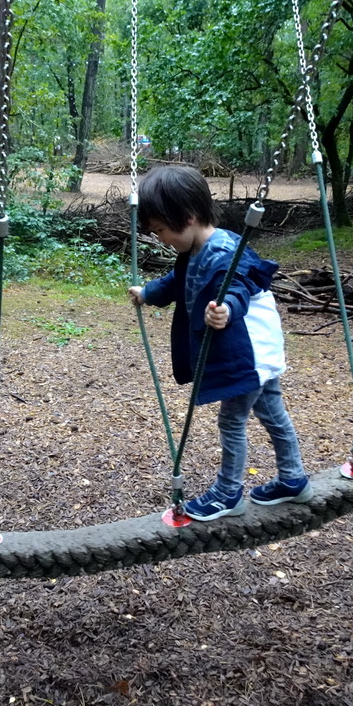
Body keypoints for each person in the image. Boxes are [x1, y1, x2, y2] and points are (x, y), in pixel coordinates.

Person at [128, 165, 310, 520]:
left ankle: (228, 493)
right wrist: (148, 293)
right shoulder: (194, 250)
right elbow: (177, 280)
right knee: (272, 413)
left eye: (162, 230)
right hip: (259, 353)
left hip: (250, 352)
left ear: (189, 217)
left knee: (232, 421)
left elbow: (239, 286)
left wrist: (227, 310)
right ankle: (293, 479)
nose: (160, 238)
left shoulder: (226, 251)